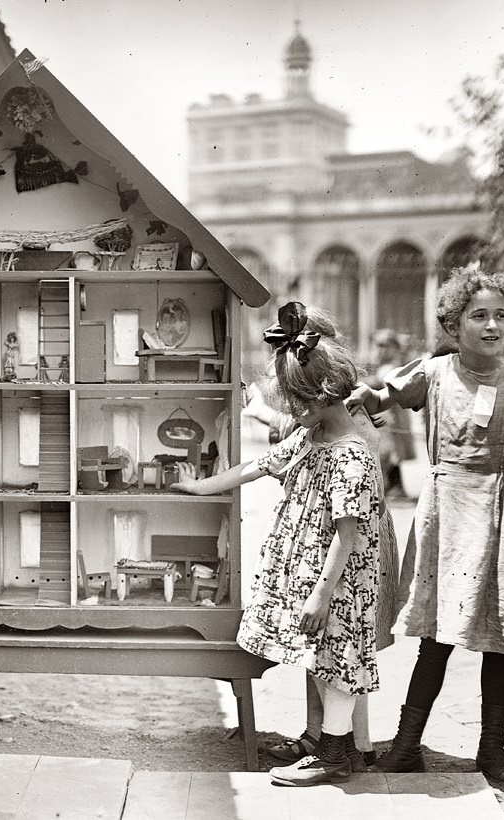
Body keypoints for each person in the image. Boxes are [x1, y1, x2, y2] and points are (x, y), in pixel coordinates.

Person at [350, 267, 504, 784]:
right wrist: (366, 398)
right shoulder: (432, 374)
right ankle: (408, 745)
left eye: (501, 315)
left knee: (498, 639)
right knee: (437, 634)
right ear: (454, 325)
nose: (492, 326)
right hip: (447, 519)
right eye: (479, 316)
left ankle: (492, 751)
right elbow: (383, 397)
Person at [173, 302, 381, 786]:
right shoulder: (312, 437)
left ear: (327, 394)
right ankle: (339, 751)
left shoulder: (350, 454)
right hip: (320, 580)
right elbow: (260, 465)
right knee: (328, 663)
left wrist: (321, 594)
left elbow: (347, 535)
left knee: (337, 666)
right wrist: (202, 486)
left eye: (299, 404)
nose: (293, 414)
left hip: (339, 585)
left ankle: (331, 757)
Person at [243, 308, 399, 770]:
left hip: (346, 538)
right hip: (330, 534)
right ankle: (331, 741)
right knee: (331, 650)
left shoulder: (339, 417)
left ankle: (352, 746)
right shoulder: (328, 409)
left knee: (346, 647)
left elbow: (305, 447)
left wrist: (258, 411)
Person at [368, 329, 416, 499]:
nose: (380, 350)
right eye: (378, 346)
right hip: (387, 415)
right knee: (389, 452)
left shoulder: (390, 368)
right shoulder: (383, 366)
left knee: (391, 452)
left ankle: (394, 486)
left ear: (394, 348)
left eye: (385, 346)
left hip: (391, 416)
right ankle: (392, 485)